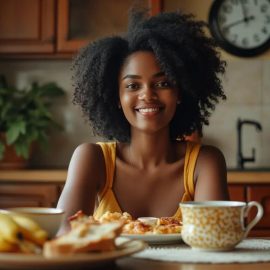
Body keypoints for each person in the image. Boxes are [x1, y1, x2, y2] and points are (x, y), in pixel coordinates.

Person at [57, 10, 230, 234]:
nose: (147, 95)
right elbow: (65, 234)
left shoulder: (205, 162)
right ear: (116, 97)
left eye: (163, 84)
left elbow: (214, 238)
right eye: (132, 86)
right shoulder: (93, 158)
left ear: (180, 93)